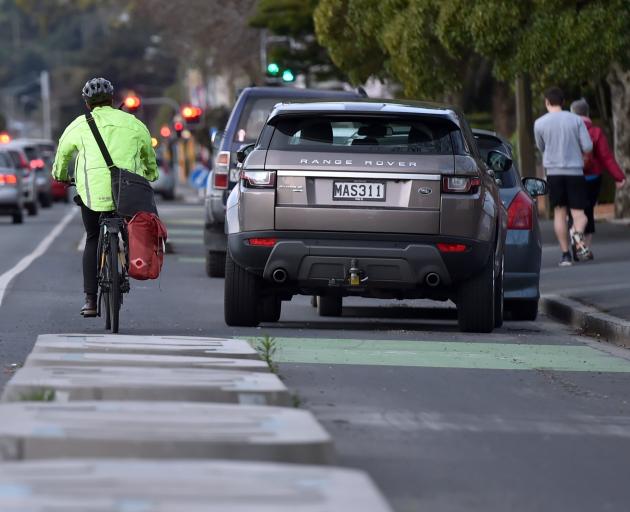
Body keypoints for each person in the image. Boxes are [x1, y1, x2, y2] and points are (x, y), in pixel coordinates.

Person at [52, 78, 158, 316]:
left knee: (91, 237)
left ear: (87, 104)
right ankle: (133, 258)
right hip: (127, 191)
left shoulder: (78, 125)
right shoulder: (133, 123)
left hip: (93, 194)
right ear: (112, 100)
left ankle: (90, 300)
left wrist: (59, 176)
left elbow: (62, 154)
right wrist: (151, 174)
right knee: (131, 226)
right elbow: (149, 155)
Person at [534, 86, 593, 267]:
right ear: (564, 102)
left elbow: (540, 146)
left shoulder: (540, 123)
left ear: (546, 102)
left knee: (559, 213)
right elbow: (588, 146)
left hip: (553, 173)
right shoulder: (575, 120)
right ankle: (576, 233)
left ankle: (565, 255)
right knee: (580, 215)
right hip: (575, 171)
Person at [569, 98, 626, 247]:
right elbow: (606, 157)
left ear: (572, 113)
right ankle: (585, 245)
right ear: (587, 113)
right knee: (588, 211)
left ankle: (575, 239)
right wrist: (619, 177)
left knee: (575, 210)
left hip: (573, 176)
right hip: (593, 177)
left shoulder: (569, 131)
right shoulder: (596, 132)